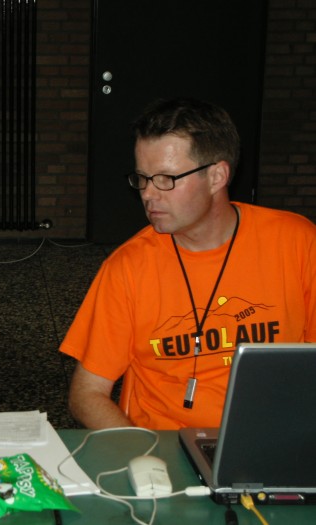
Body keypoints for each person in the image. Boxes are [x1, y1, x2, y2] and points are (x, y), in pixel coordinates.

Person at [60, 98, 316, 430]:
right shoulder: (128, 267)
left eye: (166, 179)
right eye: (142, 178)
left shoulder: (298, 243)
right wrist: (141, 451)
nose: (148, 194)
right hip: (166, 443)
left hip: (274, 434)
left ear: (217, 176)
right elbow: (87, 394)